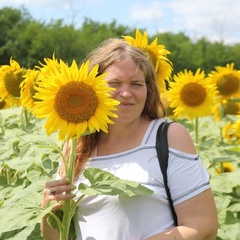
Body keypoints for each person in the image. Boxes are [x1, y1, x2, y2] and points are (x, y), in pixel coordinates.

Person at [40, 37, 218, 240]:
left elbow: (204, 225)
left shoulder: (168, 137)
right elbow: (54, 236)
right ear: (93, 87)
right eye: (114, 83)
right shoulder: (76, 145)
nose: (126, 93)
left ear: (148, 89)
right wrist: (48, 210)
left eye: (136, 84)